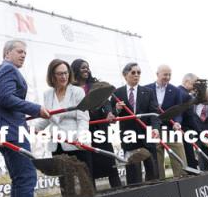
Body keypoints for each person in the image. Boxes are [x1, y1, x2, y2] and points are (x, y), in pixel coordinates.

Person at [0, 40, 50, 197]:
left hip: (6, 129)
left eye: (25, 54)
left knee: (19, 178)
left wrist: (11, 117)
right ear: (7, 53)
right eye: (19, 52)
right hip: (12, 132)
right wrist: (36, 109)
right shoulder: (8, 69)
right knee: (27, 177)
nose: (23, 56)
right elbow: (6, 98)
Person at [34, 59, 91, 173]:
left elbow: (83, 118)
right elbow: (49, 116)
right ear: (52, 76)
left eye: (66, 73)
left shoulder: (77, 91)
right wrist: (36, 127)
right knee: (65, 182)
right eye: (60, 74)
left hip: (76, 142)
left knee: (84, 180)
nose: (64, 76)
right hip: (57, 144)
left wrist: (80, 137)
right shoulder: (48, 94)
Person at [71, 59, 121, 188]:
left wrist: (109, 113)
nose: (86, 69)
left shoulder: (96, 84)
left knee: (109, 163)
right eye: (83, 68)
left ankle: (118, 191)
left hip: (100, 129)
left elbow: (106, 102)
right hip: (83, 130)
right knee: (88, 166)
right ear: (76, 70)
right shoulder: (71, 89)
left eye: (87, 67)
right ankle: (91, 195)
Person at [113, 62, 160, 185]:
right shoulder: (117, 93)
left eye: (139, 73)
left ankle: (155, 195)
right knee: (133, 173)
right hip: (129, 137)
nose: (136, 75)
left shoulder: (148, 92)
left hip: (147, 135)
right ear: (125, 75)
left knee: (152, 170)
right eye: (133, 72)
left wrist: (155, 129)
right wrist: (117, 109)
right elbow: (112, 116)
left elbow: (154, 113)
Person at [145, 64, 187, 178]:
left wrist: (177, 122)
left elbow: (178, 110)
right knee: (156, 162)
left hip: (171, 129)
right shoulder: (146, 89)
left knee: (179, 158)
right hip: (154, 130)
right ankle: (160, 184)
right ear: (157, 74)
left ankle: (182, 180)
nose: (167, 77)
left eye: (169, 74)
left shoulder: (175, 90)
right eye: (165, 74)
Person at [178, 73, 203, 169]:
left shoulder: (176, 91)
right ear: (187, 82)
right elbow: (190, 117)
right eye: (194, 84)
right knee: (189, 158)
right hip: (184, 130)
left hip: (176, 129)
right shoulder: (186, 96)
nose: (196, 87)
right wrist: (201, 133)